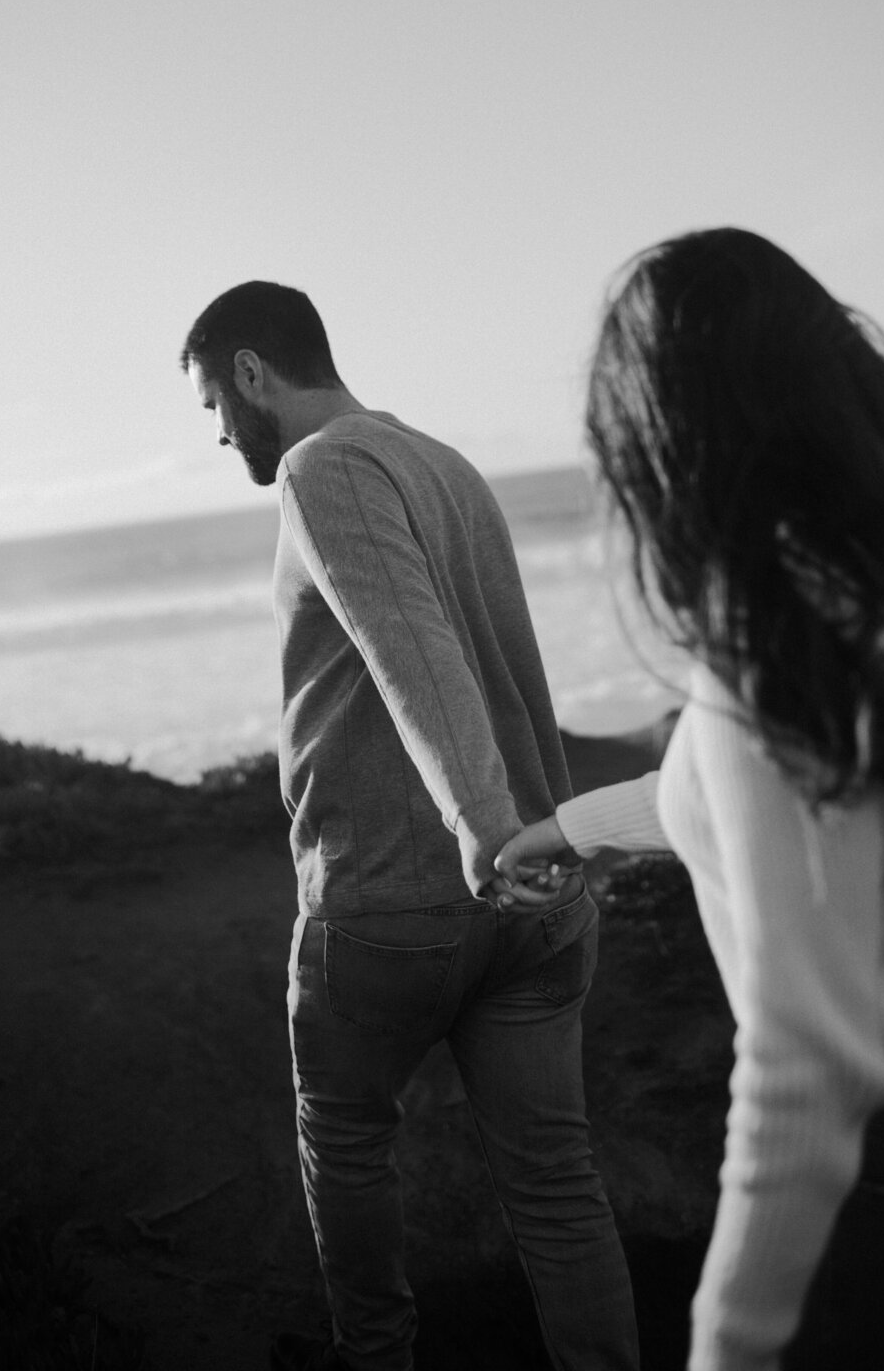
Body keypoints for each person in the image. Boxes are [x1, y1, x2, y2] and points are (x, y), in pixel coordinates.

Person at [496, 228, 884, 1371]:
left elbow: (804, 1067)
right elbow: (814, 818)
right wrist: (582, 827)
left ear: (665, 443)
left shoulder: (767, 670)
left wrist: (724, 1350)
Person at [180, 280, 640, 1371]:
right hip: (538, 897)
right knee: (558, 1184)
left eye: (212, 402)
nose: (215, 432)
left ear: (252, 372)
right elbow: (499, 661)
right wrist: (533, 839)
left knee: (345, 1146)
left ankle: (374, 1357)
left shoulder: (320, 467)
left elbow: (413, 650)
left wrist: (480, 827)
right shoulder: (447, 464)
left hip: (399, 898)